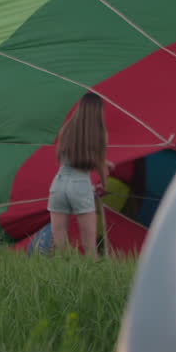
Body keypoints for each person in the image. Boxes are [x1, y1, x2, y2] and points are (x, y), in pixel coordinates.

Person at [47, 92, 114, 258]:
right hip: (80, 184)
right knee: (90, 247)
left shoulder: (67, 129)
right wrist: (104, 184)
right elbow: (98, 163)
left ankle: (61, 279)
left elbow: (66, 156)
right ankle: (94, 280)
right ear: (99, 111)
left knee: (59, 245)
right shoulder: (100, 134)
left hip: (59, 183)